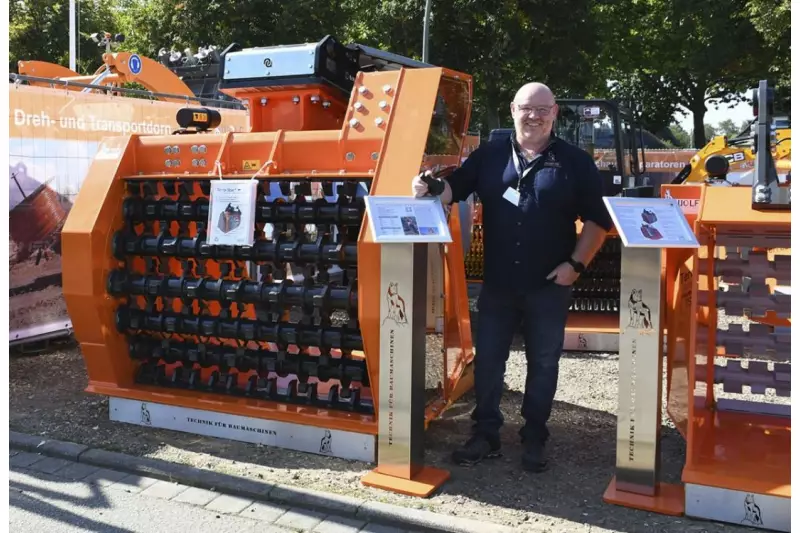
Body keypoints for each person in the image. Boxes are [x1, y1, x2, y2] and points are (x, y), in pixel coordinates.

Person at [411, 82, 613, 472]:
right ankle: (486, 433)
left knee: (543, 362)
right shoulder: (490, 155)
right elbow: (453, 190)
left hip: (549, 285)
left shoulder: (574, 161)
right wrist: (428, 187)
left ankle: (534, 434)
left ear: (554, 113)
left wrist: (575, 266)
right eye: (526, 108)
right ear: (512, 109)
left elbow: (598, 221)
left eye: (542, 109)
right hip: (499, 284)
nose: (533, 116)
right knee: (488, 360)